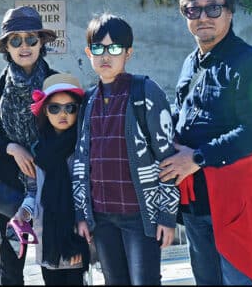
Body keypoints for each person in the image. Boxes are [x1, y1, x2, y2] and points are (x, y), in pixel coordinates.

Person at [158, 0, 252, 285]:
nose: (202, 17)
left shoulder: (251, 62)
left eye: (213, 8)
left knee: (239, 277)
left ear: (230, 12)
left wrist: (196, 157)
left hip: (234, 197)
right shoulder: (190, 62)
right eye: (192, 10)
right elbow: (181, 111)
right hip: (196, 197)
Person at [73, 14, 179, 286]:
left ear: (128, 53)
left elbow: (168, 159)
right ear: (89, 53)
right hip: (102, 218)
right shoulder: (88, 100)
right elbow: (82, 161)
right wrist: (83, 213)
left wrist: (167, 216)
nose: (105, 55)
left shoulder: (145, 92)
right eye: (98, 48)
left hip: (139, 217)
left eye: (115, 48)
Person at [0, 6, 61, 285]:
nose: (24, 46)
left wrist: (41, 157)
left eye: (30, 39)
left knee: (56, 265)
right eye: (15, 40)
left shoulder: (57, 85)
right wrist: (11, 148)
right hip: (12, 196)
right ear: (7, 48)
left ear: (41, 43)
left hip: (53, 192)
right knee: (12, 268)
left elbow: (73, 140)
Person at [11, 73, 90, 285]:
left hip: (76, 234)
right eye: (54, 107)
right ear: (45, 111)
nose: (62, 113)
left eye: (70, 108)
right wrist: (24, 211)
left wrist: (79, 241)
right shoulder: (38, 149)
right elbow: (33, 190)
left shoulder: (84, 147)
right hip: (47, 235)